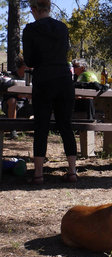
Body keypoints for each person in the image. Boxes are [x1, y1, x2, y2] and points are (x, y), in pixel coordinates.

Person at [23, 0, 77, 184]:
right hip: (63, 78)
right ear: (49, 8)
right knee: (66, 126)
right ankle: (72, 171)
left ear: (34, 9)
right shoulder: (62, 27)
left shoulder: (30, 29)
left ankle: (38, 174)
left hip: (44, 79)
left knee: (41, 127)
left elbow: (29, 61)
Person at [1, 55, 30, 139]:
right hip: (10, 104)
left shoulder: (30, 77)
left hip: (25, 105)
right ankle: (12, 130)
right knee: (12, 100)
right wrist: (19, 94)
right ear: (22, 67)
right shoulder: (10, 76)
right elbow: (5, 91)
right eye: (27, 66)